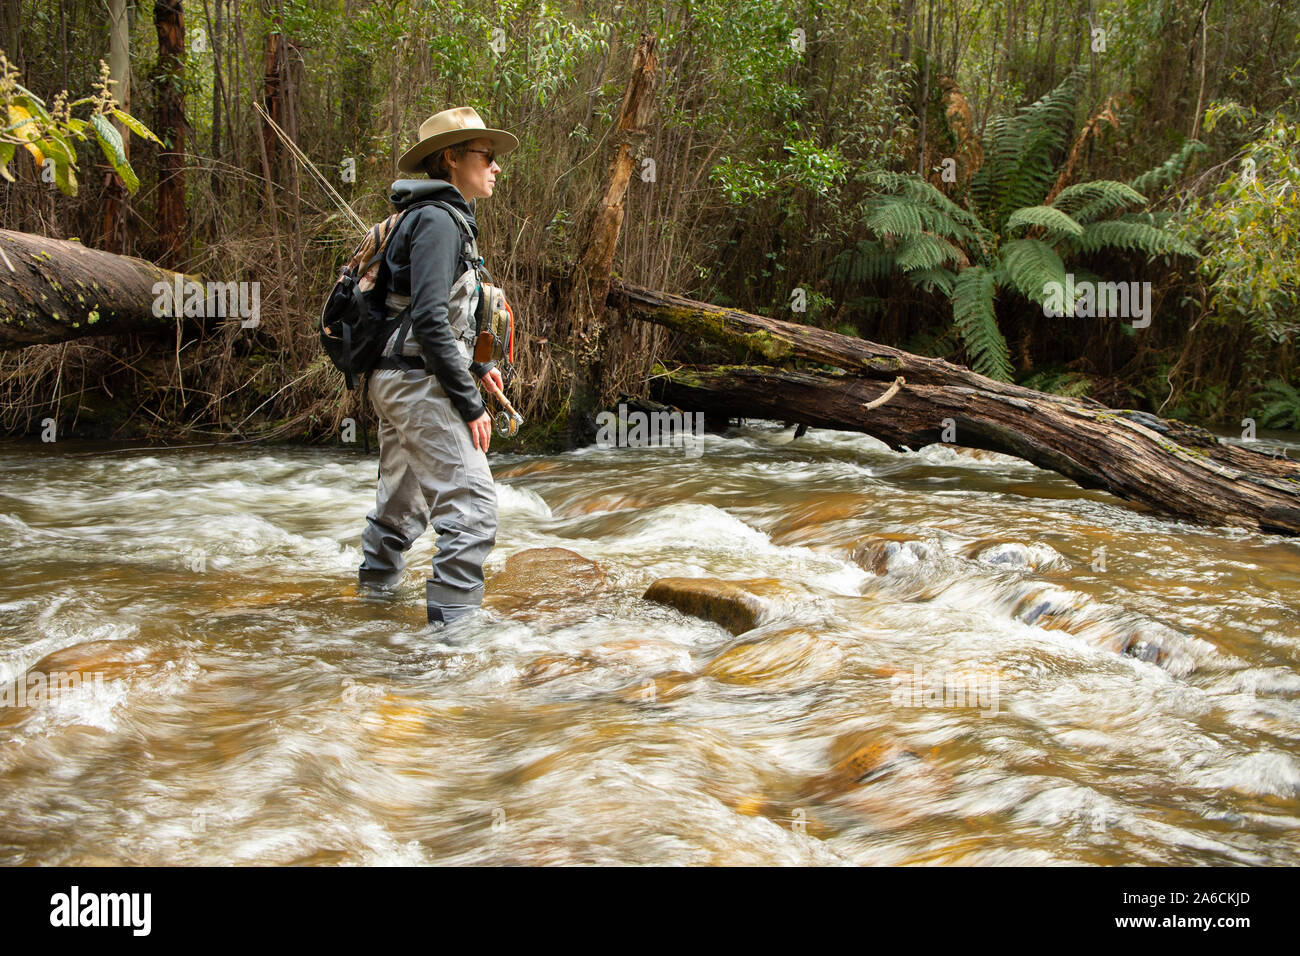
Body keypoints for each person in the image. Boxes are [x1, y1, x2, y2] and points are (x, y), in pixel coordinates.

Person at [357, 107, 518, 626]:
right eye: (486, 156)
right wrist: (470, 405)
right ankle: (453, 649)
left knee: (399, 511)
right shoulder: (437, 221)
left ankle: (371, 615)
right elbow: (428, 319)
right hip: (417, 384)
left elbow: (423, 314)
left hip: (397, 379)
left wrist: (475, 366)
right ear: (451, 158)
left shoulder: (432, 217)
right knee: (472, 513)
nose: (496, 167)